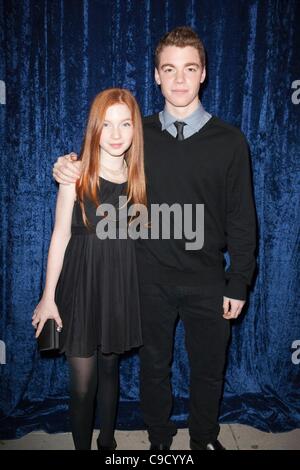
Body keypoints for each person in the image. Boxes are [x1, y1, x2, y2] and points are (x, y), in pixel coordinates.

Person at [52, 27, 257, 451]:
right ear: (156, 76)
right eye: (170, 69)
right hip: (146, 277)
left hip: (207, 278)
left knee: (208, 369)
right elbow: (97, 156)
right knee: (153, 369)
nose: (179, 79)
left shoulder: (231, 141)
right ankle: (160, 445)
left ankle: (202, 441)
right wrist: (66, 166)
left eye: (189, 69)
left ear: (203, 74)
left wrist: (239, 280)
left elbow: (242, 217)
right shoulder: (136, 135)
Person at [32, 88, 147, 450]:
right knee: (82, 382)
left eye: (125, 123)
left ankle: (108, 445)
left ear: (135, 128)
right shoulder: (76, 173)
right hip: (80, 285)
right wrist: (48, 298)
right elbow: (60, 235)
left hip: (119, 285)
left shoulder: (140, 176)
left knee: (111, 370)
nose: (116, 134)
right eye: (107, 124)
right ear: (94, 128)